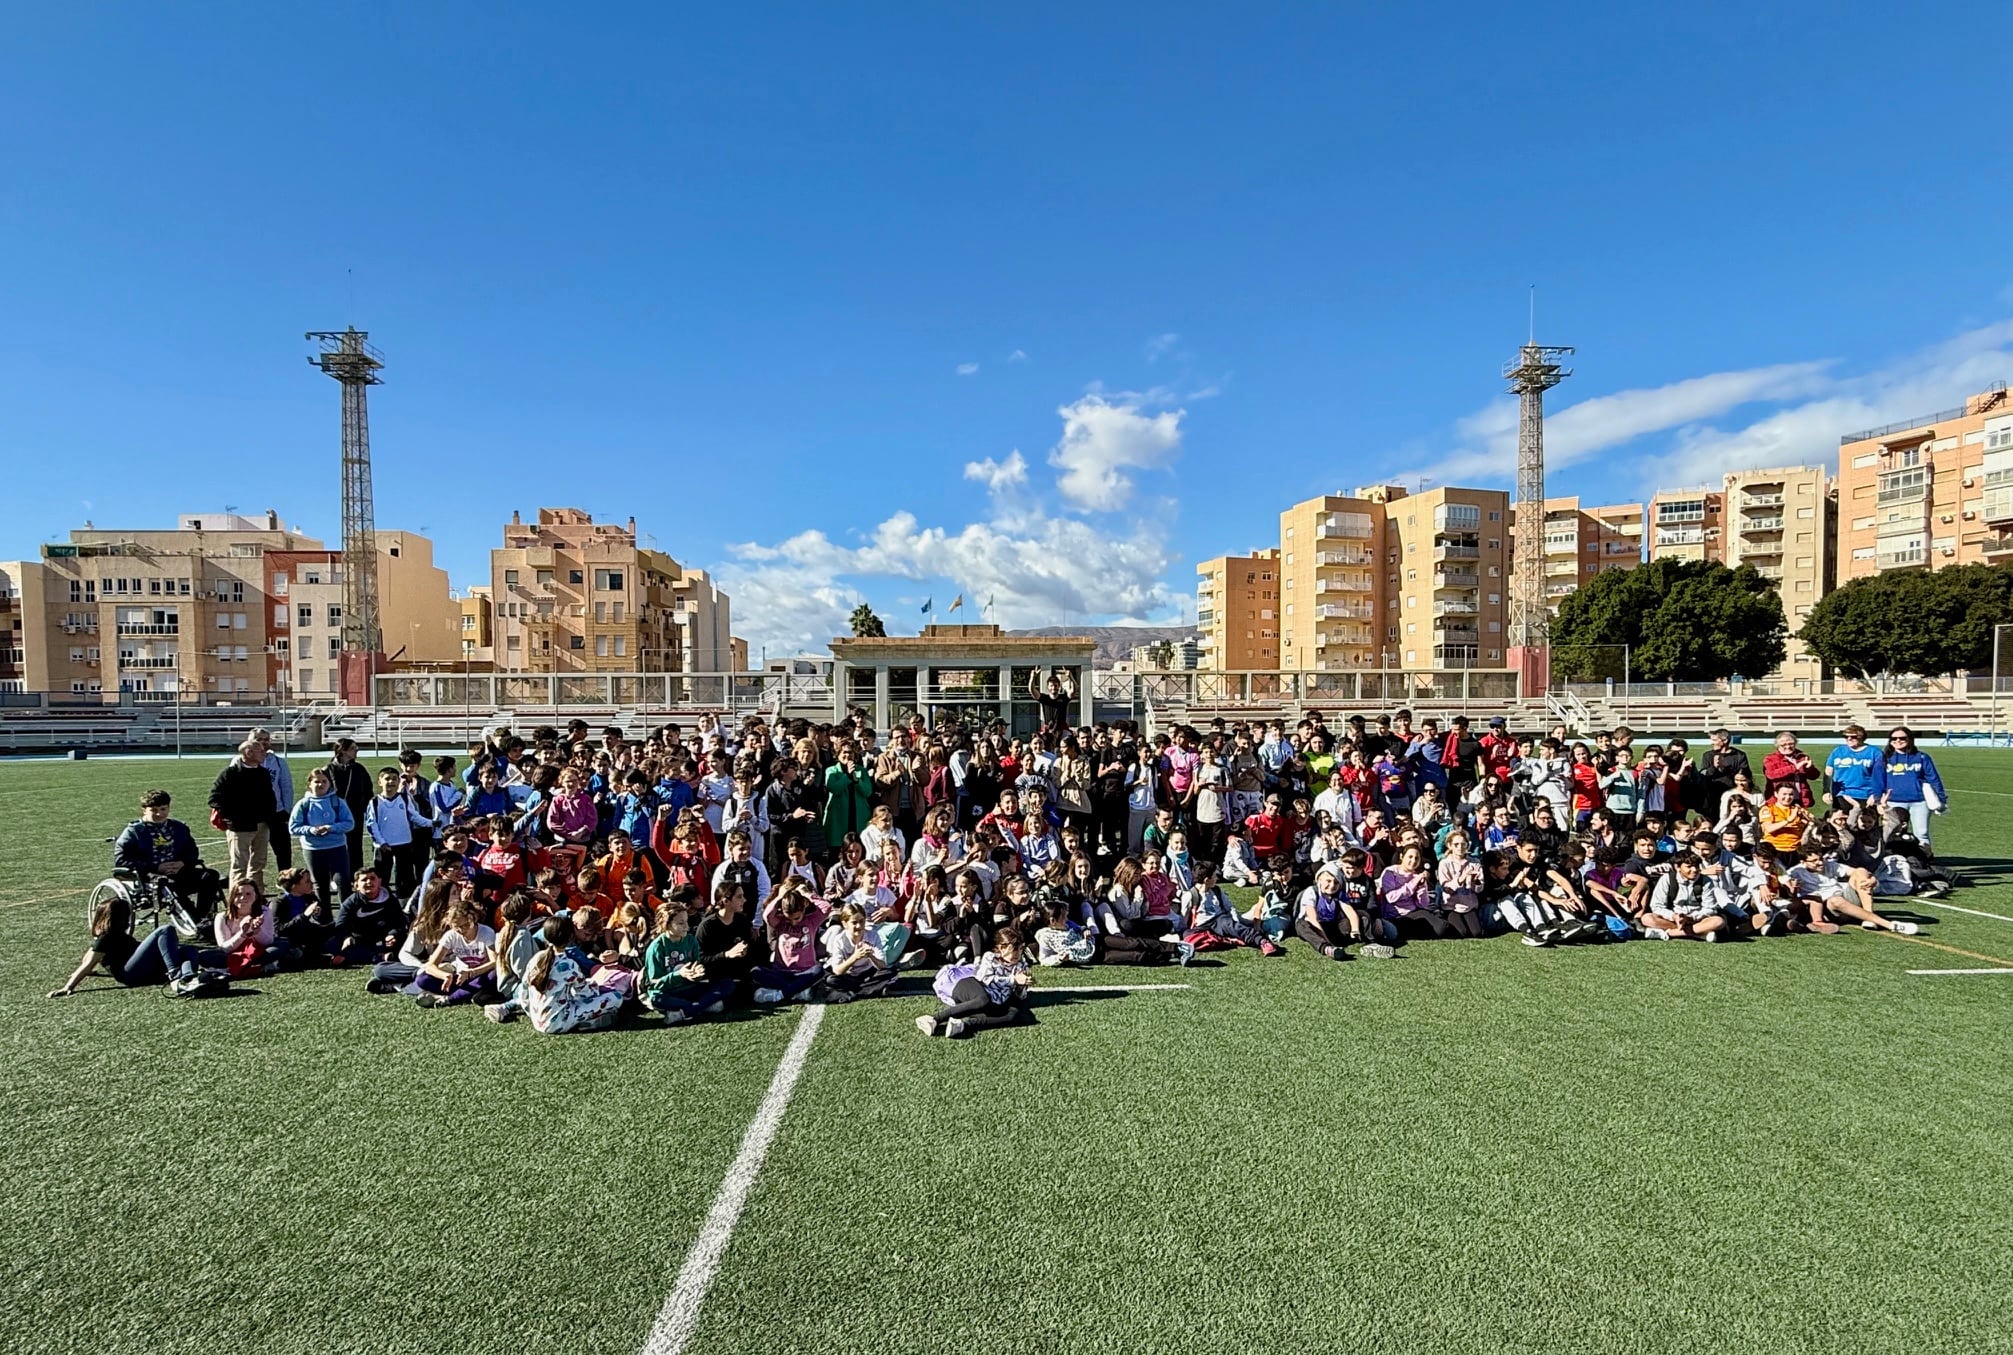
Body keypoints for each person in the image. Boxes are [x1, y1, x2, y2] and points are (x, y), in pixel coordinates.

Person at [49, 895, 215, 997]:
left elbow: (88, 959)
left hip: (142, 970)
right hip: (130, 974)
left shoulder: (115, 936)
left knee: (188, 950)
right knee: (165, 930)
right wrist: (68, 986)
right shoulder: (105, 938)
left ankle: (189, 979)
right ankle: (175, 977)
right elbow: (88, 963)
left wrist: (87, 971)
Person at [916, 926, 1033, 1038]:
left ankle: (963, 1024)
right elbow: (986, 979)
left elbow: (1020, 997)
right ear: (1001, 948)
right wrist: (1013, 980)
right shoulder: (990, 957)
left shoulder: (1022, 965)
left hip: (993, 1004)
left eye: (1020, 949)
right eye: (1014, 950)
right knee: (983, 1000)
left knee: (1014, 1015)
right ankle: (934, 1019)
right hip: (970, 987)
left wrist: (1021, 986)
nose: (1017, 954)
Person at [112, 789, 208, 919]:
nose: (159, 814)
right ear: (144, 810)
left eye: (163, 809)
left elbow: (192, 851)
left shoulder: (179, 827)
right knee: (169, 883)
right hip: (149, 874)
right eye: (154, 810)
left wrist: (182, 863)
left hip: (178, 870)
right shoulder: (133, 832)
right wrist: (156, 867)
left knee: (209, 876)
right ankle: (195, 920)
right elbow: (121, 860)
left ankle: (203, 915)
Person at [521, 914, 625, 1034]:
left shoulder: (536, 959)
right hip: (559, 1022)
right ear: (570, 937)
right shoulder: (568, 965)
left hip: (537, 1020)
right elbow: (586, 994)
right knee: (616, 997)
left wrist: (530, 1011)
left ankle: (586, 1021)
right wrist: (596, 987)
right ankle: (587, 1022)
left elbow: (524, 989)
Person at [208, 738, 278, 891]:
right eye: (260, 751)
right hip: (239, 827)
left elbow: (269, 797)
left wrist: (269, 815)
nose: (264, 754)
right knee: (239, 865)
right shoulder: (230, 773)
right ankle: (237, 897)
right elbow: (214, 798)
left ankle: (257, 895)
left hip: (262, 825)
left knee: (259, 863)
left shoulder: (263, 773)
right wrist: (233, 817)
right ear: (248, 753)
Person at [288, 768, 356, 911]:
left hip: (337, 847)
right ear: (309, 784)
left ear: (329, 784)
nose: (321, 784)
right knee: (319, 884)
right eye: (317, 781)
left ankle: (347, 915)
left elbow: (349, 823)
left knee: (342, 881)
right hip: (313, 849)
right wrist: (311, 830)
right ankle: (325, 916)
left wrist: (331, 828)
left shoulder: (337, 802)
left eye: (324, 781)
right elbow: (293, 827)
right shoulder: (303, 804)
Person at [1881, 726, 1948, 850]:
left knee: (1921, 833)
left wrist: (1941, 797)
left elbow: (1933, 778)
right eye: (1894, 738)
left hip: (1919, 801)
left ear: (1910, 739)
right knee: (1892, 832)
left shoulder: (1922, 757)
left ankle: (1924, 858)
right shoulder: (1884, 758)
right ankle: (1893, 857)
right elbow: (1877, 780)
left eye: (1902, 738)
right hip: (1893, 801)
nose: (1898, 741)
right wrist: (1877, 798)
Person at [323, 739, 375, 875]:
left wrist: (365, 807)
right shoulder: (328, 770)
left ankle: (356, 874)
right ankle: (336, 875)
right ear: (343, 751)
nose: (357, 751)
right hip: (334, 815)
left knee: (355, 845)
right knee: (336, 845)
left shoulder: (359, 769)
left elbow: (368, 790)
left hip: (355, 813)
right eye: (353, 748)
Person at [1823, 725, 1887, 812]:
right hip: (1841, 795)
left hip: (1865, 795)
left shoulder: (1875, 752)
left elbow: (1881, 776)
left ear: (1862, 737)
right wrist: (1826, 791)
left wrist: (1876, 794)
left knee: (1864, 820)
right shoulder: (1838, 751)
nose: (1849, 739)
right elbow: (1828, 772)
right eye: (1846, 737)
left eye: (1853, 737)